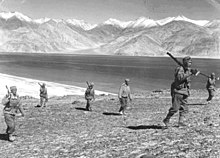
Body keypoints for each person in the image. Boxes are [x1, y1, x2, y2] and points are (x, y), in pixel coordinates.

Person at [163, 56, 199, 128]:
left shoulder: (187, 69)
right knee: (175, 108)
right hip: (178, 92)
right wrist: (190, 73)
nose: (190, 63)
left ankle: (181, 122)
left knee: (184, 108)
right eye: (189, 62)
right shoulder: (180, 69)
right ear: (185, 62)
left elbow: (190, 75)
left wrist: (195, 72)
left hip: (185, 92)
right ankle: (166, 119)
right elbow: (179, 78)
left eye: (191, 62)